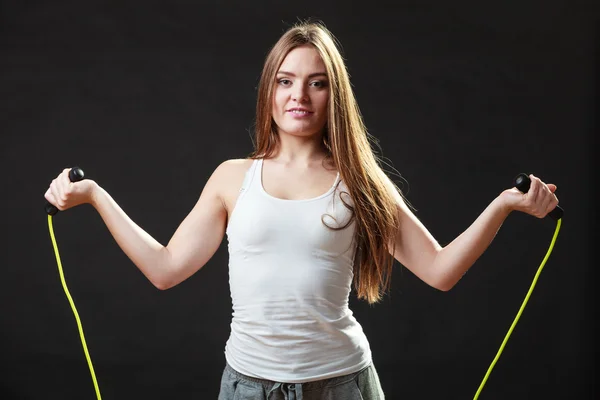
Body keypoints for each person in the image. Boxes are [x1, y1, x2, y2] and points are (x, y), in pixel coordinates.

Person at [44, 21, 559, 400]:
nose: (300, 95)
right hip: (245, 386)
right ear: (269, 89)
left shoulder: (360, 181)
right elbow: (164, 269)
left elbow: (441, 271)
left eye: (317, 81)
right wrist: (95, 197)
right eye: (286, 80)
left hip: (341, 386)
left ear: (335, 93)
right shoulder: (232, 177)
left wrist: (503, 206)